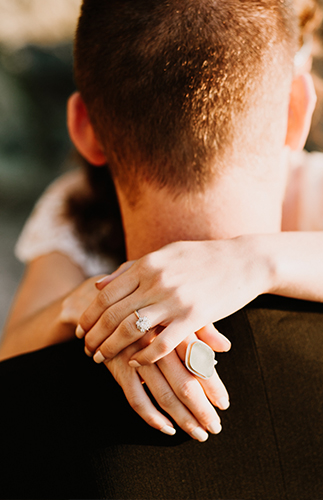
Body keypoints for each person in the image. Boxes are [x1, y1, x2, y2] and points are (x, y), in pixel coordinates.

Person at [1, 0, 323, 498]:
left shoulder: (313, 189)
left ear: (83, 126)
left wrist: (257, 259)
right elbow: (13, 350)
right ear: (299, 109)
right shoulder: (75, 206)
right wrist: (96, 305)